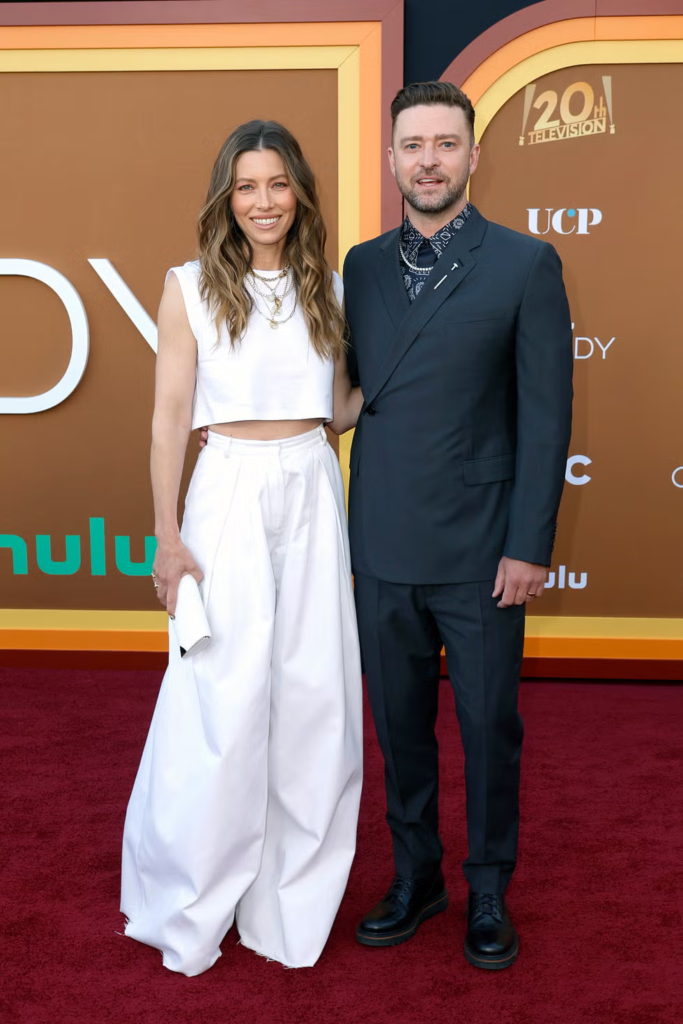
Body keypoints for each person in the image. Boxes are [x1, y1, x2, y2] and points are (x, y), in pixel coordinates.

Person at [120, 120, 364, 976]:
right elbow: (166, 419)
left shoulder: (330, 287)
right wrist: (166, 536)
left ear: (300, 193)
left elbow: (337, 410)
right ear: (227, 196)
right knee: (217, 707)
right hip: (223, 489)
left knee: (313, 704)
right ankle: (189, 901)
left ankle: (288, 909)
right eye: (247, 187)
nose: (263, 202)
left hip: (309, 485)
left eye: (278, 185)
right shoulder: (187, 287)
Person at [342, 82, 573, 969]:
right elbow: (349, 392)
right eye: (412, 145)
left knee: (486, 726)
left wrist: (528, 544)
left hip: (483, 549)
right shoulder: (360, 266)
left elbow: (545, 417)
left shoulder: (523, 262)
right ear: (393, 158)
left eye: (445, 144)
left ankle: (487, 889)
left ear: (473, 156)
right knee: (398, 727)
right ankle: (416, 877)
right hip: (382, 541)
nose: (428, 160)